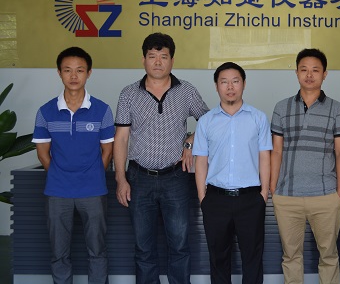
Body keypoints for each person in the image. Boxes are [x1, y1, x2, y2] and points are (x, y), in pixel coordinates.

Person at [114, 32, 209, 284]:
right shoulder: (128, 94)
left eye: (163, 56)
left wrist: (190, 140)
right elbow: (121, 138)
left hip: (175, 178)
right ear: (143, 60)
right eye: (152, 56)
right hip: (139, 178)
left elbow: (210, 123)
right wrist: (121, 179)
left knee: (179, 245)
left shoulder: (186, 91)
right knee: (143, 247)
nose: (157, 62)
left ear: (172, 60)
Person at [33, 47, 114, 284]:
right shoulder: (45, 111)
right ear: (59, 73)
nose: (74, 76)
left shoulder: (102, 110)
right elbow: (43, 154)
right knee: (59, 252)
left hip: (93, 190)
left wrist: (91, 174)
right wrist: (61, 176)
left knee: (97, 250)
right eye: (67, 70)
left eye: (80, 70)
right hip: (57, 191)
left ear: (89, 73)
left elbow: (107, 151)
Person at [270, 48, 340, 284]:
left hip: (325, 195)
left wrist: (338, 193)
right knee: (291, 256)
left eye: (315, 70)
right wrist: (274, 189)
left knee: (329, 256)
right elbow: (276, 151)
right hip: (288, 195)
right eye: (304, 69)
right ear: (296, 73)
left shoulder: (336, 109)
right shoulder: (281, 108)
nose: (309, 75)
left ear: (324, 74)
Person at [193, 62, 271, 284]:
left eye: (235, 81)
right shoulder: (206, 121)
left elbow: (265, 157)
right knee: (218, 259)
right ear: (216, 86)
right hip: (216, 199)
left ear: (244, 84)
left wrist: (264, 194)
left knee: (252, 258)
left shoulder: (258, 118)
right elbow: (201, 161)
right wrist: (203, 198)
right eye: (224, 82)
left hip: (251, 199)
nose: (230, 87)